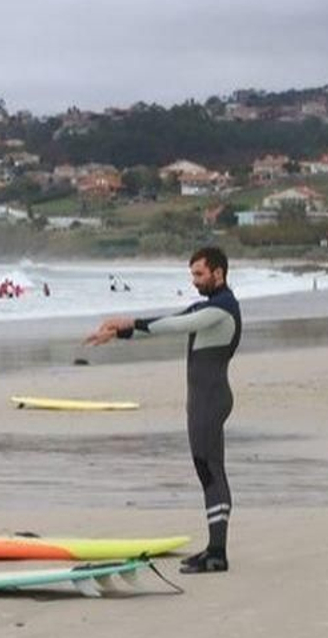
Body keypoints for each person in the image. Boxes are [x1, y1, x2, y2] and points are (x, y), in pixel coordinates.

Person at [86, 246, 241, 574]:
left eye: (200, 274)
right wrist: (117, 334)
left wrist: (125, 320)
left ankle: (218, 553)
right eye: (193, 275)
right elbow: (166, 326)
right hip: (202, 400)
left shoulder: (224, 308)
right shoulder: (209, 305)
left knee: (211, 471)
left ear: (219, 272)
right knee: (206, 471)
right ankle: (213, 548)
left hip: (211, 400)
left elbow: (176, 325)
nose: (195, 281)